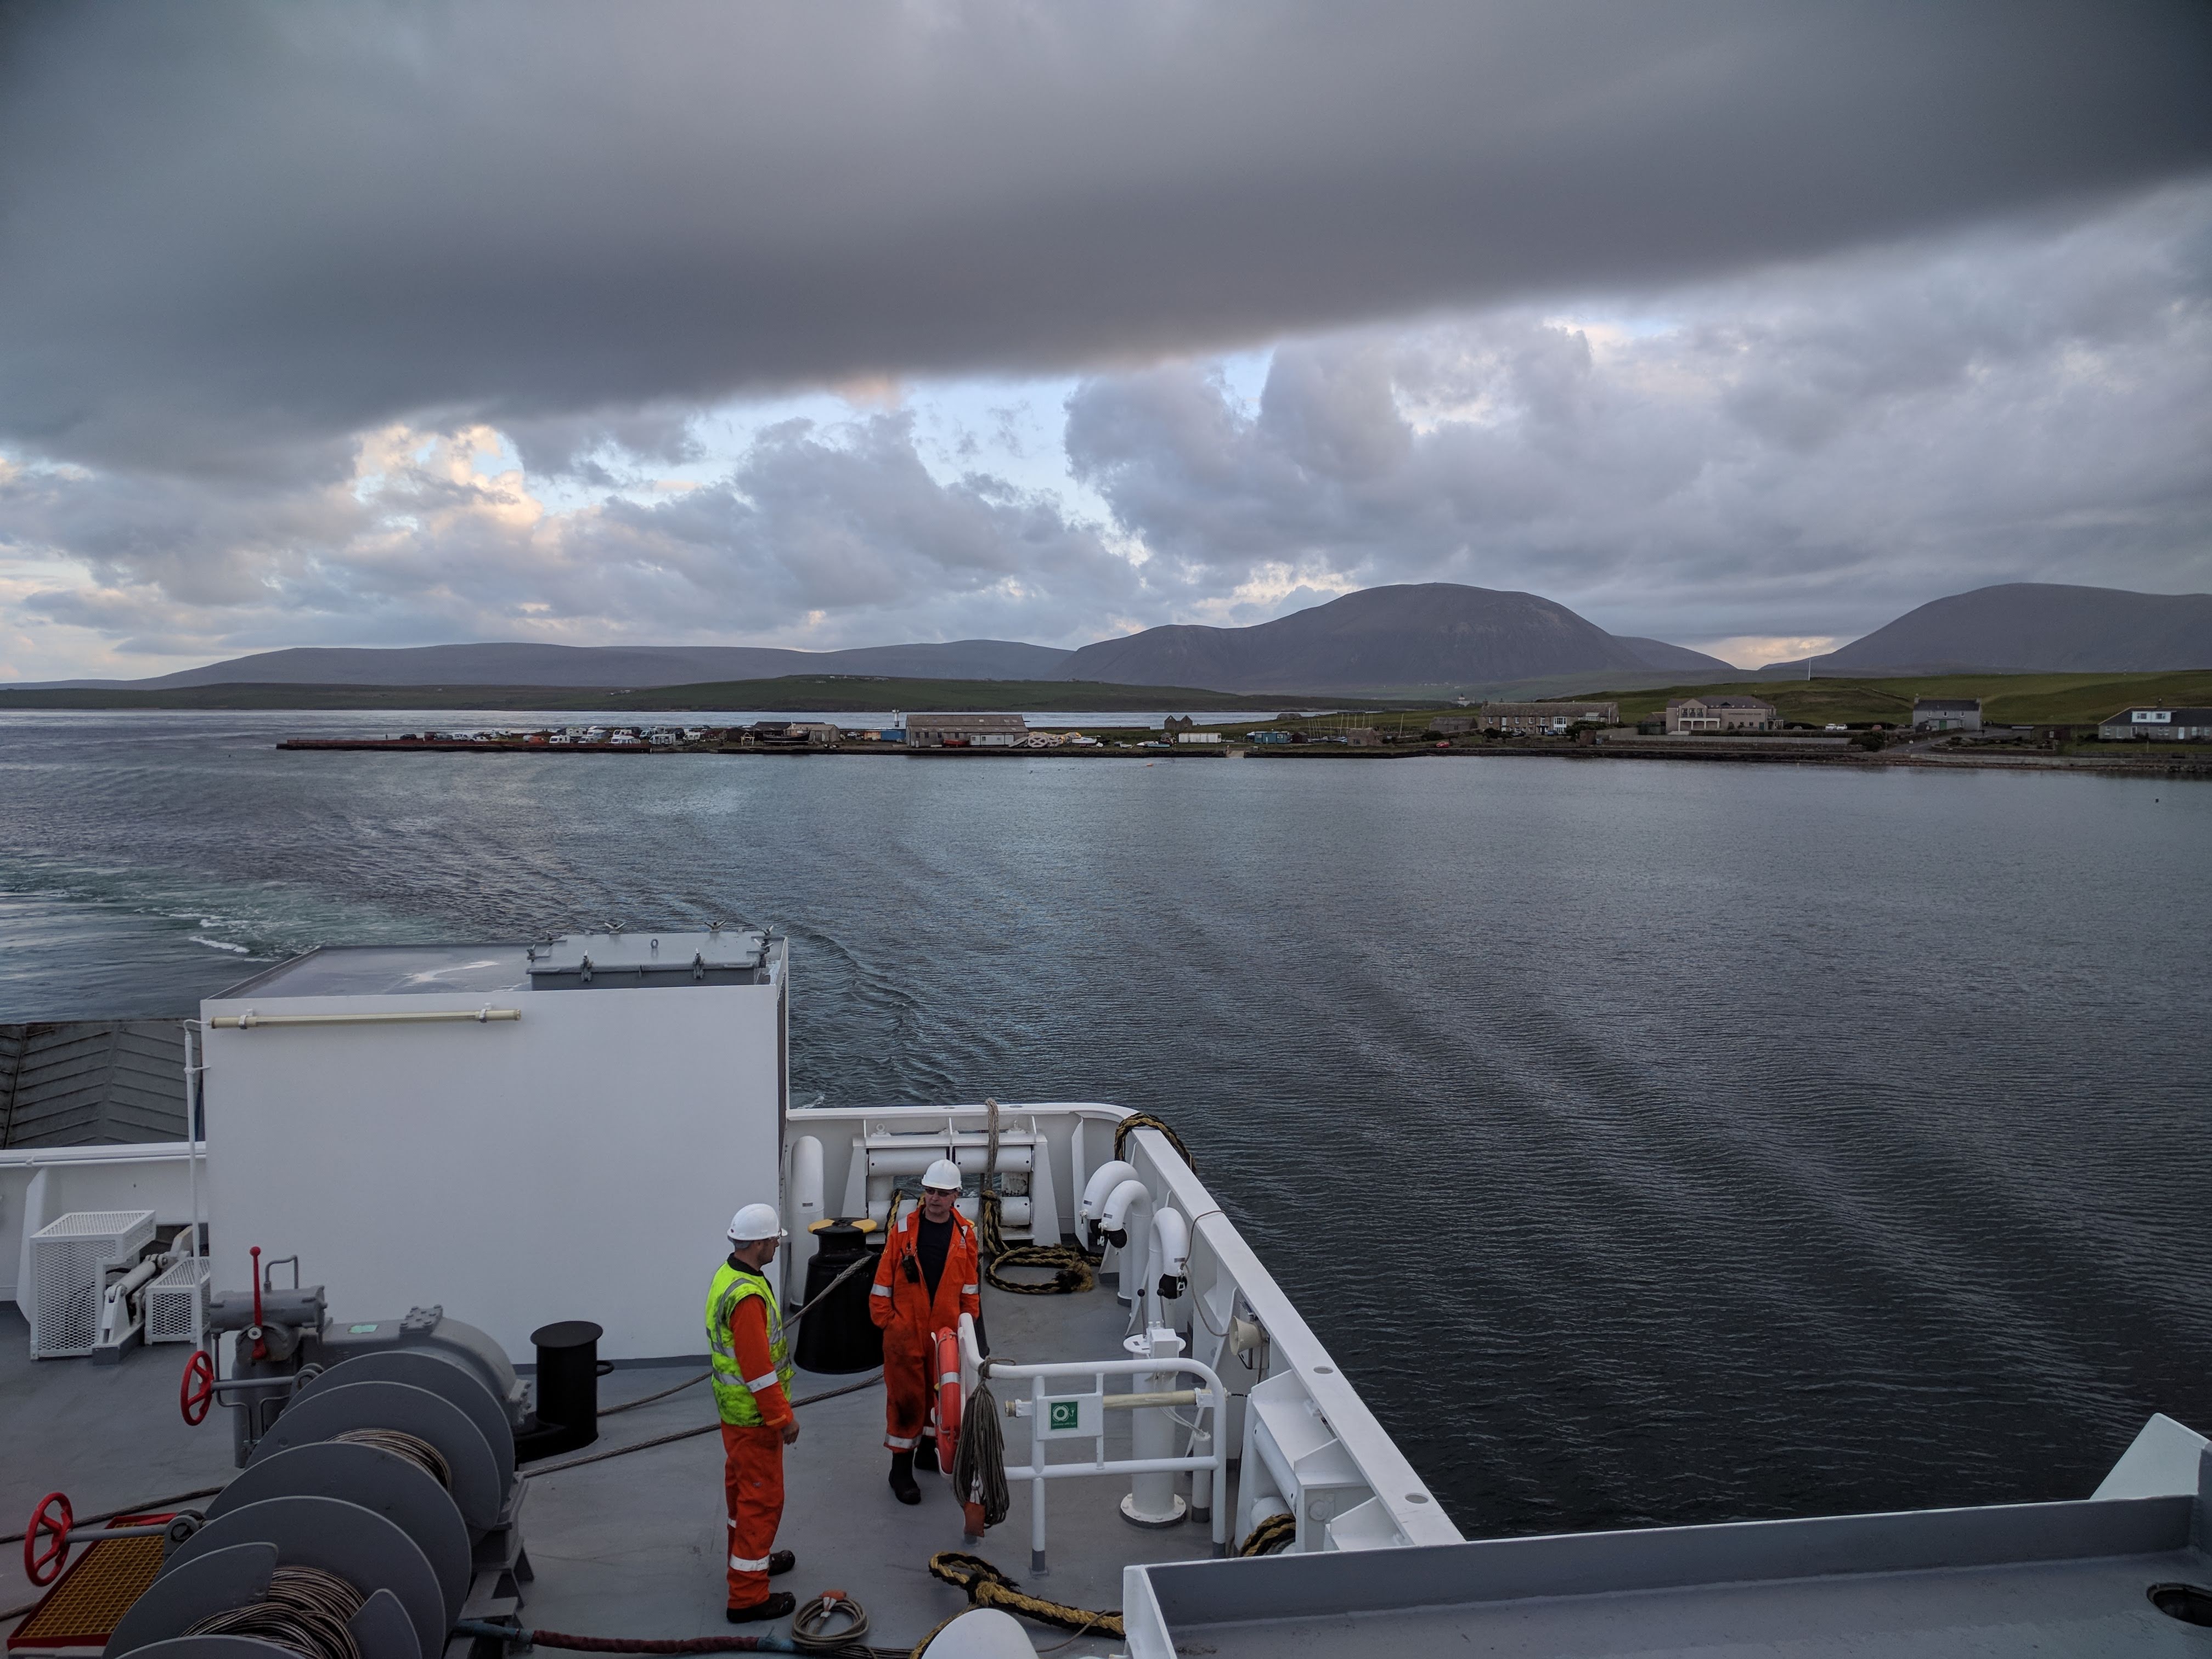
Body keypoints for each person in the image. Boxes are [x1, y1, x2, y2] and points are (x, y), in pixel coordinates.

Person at [706, 1203, 800, 1622]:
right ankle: (747, 1597)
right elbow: (759, 1371)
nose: (777, 1246)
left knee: (742, 1495)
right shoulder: (747, 1298)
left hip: (735, 1417)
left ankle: (748, 1560)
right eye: (774, 1241)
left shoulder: (730, 1276)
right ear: (759, 1243)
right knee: (761, 1502)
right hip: (755, 1420)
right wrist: (784, 1419)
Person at [870, 1158, 980, 1504]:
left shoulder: (966, 1234)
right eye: (930, 1191)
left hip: (945, 1334)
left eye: (943, 1193)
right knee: (905, 1401)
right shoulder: (902, 1231)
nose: (934, 1198)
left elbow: (970, 1288)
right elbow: (882, 1282)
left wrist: (967, 1329)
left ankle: (927, 1452)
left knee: (941, 1397)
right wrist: (889, 1322)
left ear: (956, 1196)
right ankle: (899, 1471)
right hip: (905, 1334)